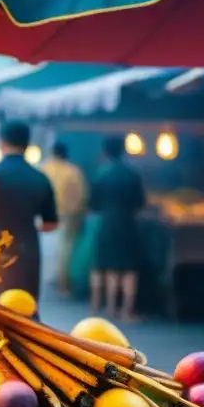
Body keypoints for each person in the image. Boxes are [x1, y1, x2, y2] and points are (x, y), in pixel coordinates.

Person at [0, 121, 58, 304]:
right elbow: (50, 224)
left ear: (2, 142)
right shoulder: (40, 178)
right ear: (28, 144)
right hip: (28, 251)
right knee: (26, 308)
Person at [90, 136, 147, 322]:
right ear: (124, 150)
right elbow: (140, 203)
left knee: (109, 267)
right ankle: (127, 311)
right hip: (128, 224)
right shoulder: (133, 174)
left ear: (105, 152)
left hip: (106, 224)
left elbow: (94, 205)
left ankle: (110, 308)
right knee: (129, 269)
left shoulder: (101, 175)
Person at [40, 141, 88, 295]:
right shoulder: (72, 172)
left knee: (44, 249)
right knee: (64, 251)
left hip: (41, 216)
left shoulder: (42, 169)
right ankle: (62, 284)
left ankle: (41, 283)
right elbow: (81, 197)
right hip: (65, 216)